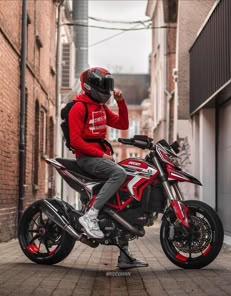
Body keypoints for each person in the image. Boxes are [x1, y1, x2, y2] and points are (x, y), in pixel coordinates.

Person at [69, 67, 148, 269]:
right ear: (91, 86)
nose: (107, 90)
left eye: (108, 86)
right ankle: (91, 214)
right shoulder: (79, 108)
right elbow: (75, 141)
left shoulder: (101, 108)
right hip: (87, 159)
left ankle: (124, 257)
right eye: (104, 86)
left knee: (122, 202)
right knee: (119, 173)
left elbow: (122, 123)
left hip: (99, 157)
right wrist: (101, 154)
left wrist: (121, 102)